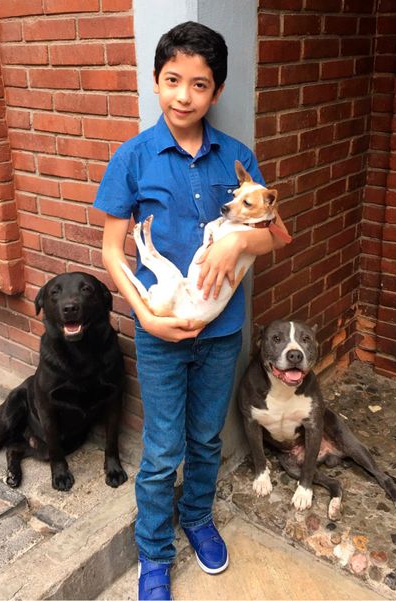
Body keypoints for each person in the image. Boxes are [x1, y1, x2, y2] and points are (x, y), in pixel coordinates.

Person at [94, 21, 290, 600]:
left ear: (217, 91)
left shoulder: (236, 156)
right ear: (156, 81)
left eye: (199, 85)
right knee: (161, 451)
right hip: (159, 332)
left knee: (206, 439)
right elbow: (112, 249)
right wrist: (145, 318)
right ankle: (154, 552)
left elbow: (277, 233)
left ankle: (197, 518)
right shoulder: (132, 158)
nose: (184, 95)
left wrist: (235, 240)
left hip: (221, 329)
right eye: (173, 80)